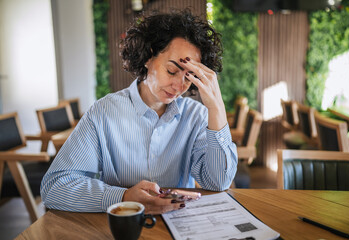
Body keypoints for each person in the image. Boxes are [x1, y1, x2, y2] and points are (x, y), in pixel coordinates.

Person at [41, 9, 238, 214]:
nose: (179, 85)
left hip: (179, 225)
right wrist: (122, 197)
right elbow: (55, 186)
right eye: (171, 71)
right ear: (148, 56)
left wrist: (216, 108)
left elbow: (218, 182)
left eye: (189, 77)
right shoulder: (103, 113)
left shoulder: (196, 116)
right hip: (122, 225)